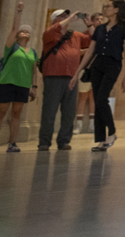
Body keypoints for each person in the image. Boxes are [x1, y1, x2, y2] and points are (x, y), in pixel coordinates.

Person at [69, 0, 125, 150]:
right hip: (97, 65)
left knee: (102, 98)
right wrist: (77, 72)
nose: (105, 8)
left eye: (108, 6)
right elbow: (91, 51)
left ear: (117, 9)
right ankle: (101, 140)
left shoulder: (124, 28)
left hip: (113, 65)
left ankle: (112, 131)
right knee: (98, 101)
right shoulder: (100, 29)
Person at [37, 9, 92, 151]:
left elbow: (93, 39)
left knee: (69, 112)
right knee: (49, 111)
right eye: (62, 16)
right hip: (53, 77)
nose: (67, 18)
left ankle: (64, 141)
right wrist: (69, 19)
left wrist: (89, 24)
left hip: (71, 78)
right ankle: (44, 142)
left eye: (66, 16)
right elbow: (56, 28)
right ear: (55, 20)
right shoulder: (49, 33)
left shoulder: (75, 35)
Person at [0, 2, 40, 154]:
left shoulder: (32, 52)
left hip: (23, 85)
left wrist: (34, 87)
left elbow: (34, 71)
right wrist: (19, 12)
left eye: (27, 31)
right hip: (7, 83)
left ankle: (12, 143)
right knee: (1, 112)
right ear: (18, 35)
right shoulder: (11, 47)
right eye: (22, 31)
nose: (25, 32)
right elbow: (13, 29)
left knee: (17, 113)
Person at [75, 13, 104, 134]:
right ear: (92, 21)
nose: (100, 21)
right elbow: (77, 51)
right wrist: (90, 51)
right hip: (85, 69)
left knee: (94, 96)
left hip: (99, 70)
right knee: (83, 96)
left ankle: (93, 124)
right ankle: (79, 125)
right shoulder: (85, 35)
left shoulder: (104, 35)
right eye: (97, 19)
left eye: (102, 19)